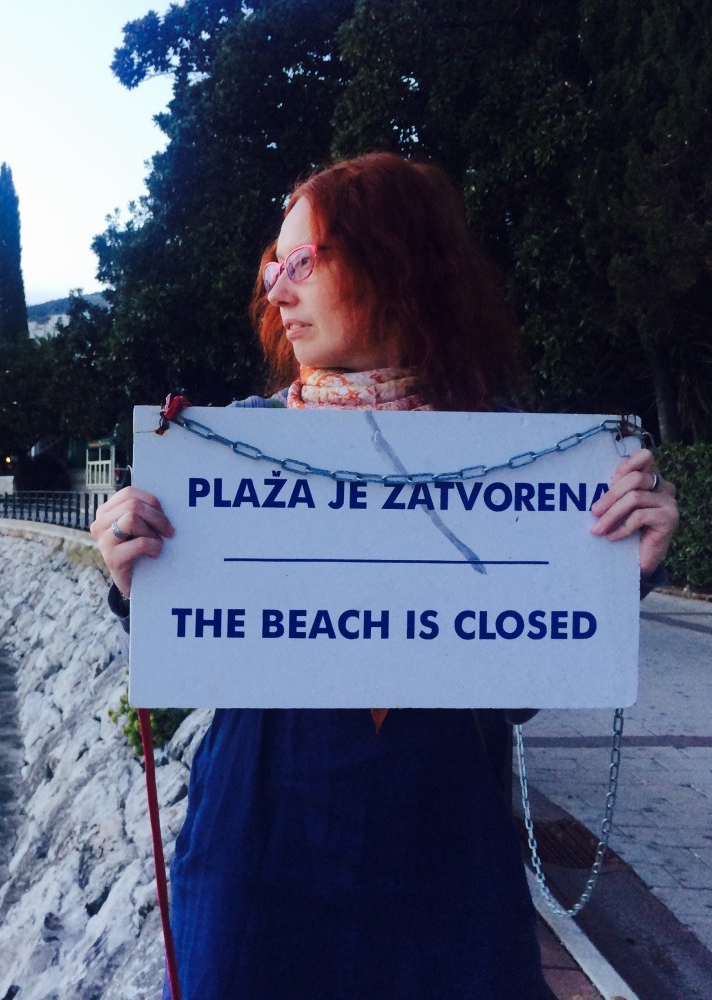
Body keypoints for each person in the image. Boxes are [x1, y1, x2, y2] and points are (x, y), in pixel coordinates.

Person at [91, 152, 679, 999]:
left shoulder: (515, 452)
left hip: (445, 853)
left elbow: (516, 694)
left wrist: (621, 570)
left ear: (393, 263)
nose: (277, 293)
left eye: (302, 263)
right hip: (258, 843)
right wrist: (131, 576)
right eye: (272, 269)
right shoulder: (230, 444)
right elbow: (187, 657)